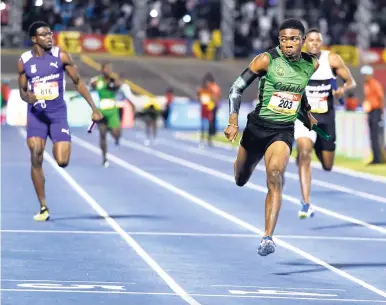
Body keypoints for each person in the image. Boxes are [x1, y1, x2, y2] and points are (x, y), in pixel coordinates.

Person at [224, 19, 319, 256]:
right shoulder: (266, 60)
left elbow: (299, 89)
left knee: (275, 175)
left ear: (303, 41)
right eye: (284, 39)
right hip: (257, 128)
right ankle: (241, 164)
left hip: (282, 131)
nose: (288, 44)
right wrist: (233, 121)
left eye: (294, 39)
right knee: (240, 178)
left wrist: (305, 111)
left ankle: (267, 237)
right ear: (279, 41)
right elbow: (236, 88)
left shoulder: (311, 65)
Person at [18, 21, 103, 221]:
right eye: (44, 35)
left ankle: (57, 151)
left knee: (62, 161)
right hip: (37, 116)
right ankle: (43, 206)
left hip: (57, 115)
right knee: (36, 154)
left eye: (50, 34)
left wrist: (94, 108)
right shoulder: (24, 61)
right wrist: (27, 97)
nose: (50, 37)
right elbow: (23, 90)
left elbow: (78, 82)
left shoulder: (61, 56)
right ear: (34, 39)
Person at [293, 28, 356, 219]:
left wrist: (342, 90)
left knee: (328, 165)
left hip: (326, 118)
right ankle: (306, 204)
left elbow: (351, 82)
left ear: (321, 43)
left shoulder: (332, 59)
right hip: (305, 117)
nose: (314, 44)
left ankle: (318, 146)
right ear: (304, 42)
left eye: (317, 41)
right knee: (304, 154)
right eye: (310, 40)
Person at [89, 63, 122, 168]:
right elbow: (89, 86)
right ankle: (104, 158)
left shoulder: (114, 80)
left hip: (112, 111)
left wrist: (115, 83)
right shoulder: (97, 81)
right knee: (102, 135)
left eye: (109, 69)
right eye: (106, 69)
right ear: (102, 70)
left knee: (116, 133)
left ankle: (116, 138)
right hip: (102, 111)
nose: (107, 71)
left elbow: (118, 84)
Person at [360, 65, 385, 165]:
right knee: (372, 136)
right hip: (370, 112)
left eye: (365, 75)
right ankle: (375, 157)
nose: (364, 77)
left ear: (370, 75)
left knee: (376, 135)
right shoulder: (366, 85)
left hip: (376, 111)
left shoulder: (375, 84)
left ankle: (378, 158)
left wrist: (381, 111)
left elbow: (381, 97)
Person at [198, 77, 216, 147]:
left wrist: (212, 104)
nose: (207, 84)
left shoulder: (210, 91)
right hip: (203, 110)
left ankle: (209, 140)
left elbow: (213, 99)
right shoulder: (201, 90)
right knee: (203, 126)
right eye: (206, 83)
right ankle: (202, 139)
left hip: (209, 110)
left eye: (208, 83)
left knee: (210, 125)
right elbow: (199, 98)